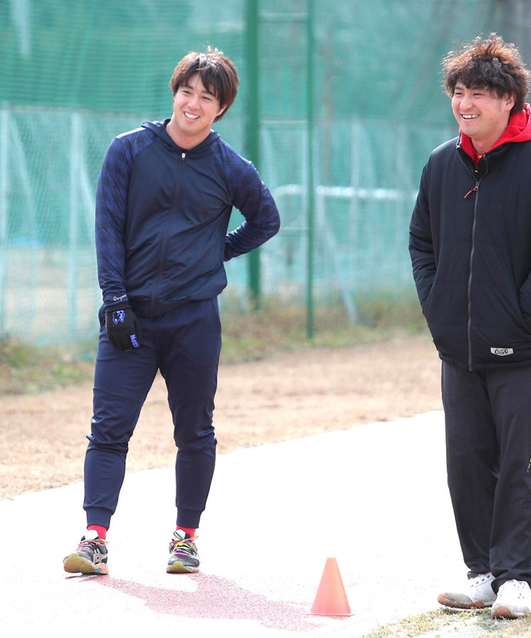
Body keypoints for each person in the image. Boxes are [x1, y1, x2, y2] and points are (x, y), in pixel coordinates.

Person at [63, 47, 280, 575]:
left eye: (207, 97)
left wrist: (213, 253)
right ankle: (95, 539)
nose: (194, 103)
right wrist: (114, 300)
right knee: (109, 430)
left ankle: (185, 537)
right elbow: (107, 228)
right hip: (129, 320)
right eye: (187, 91)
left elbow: (265, 220)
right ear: (174, 92)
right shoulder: (129, 151)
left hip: (194, 321)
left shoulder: (232, 168)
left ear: (221, 108)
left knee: (195, 433)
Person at [409, 34, 531, 618]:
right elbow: (422, 242)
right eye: (459, 92)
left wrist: (519, 316)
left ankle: (518, 581)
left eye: (481, 94)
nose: (466, 104)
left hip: (527, 352)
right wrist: (438, 306)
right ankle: (483, 572)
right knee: (465, 461)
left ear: (509, 100)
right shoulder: (442, 164)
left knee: (523, 464)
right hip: (458, 350)